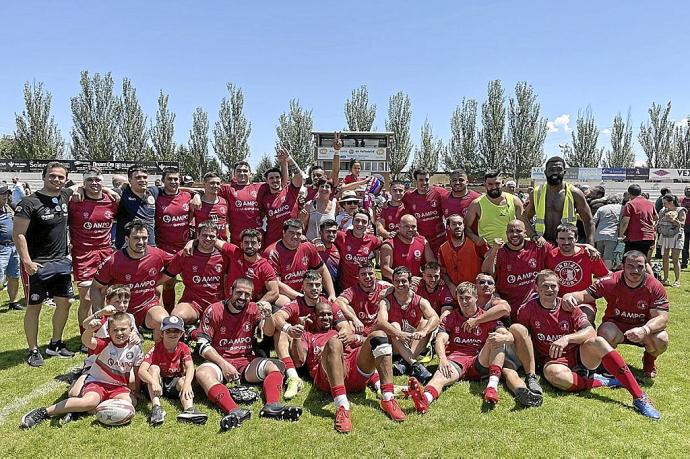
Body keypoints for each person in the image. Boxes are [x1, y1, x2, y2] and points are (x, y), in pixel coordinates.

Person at [516, 270, 660, 420]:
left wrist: (567, 339)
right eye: (545, 286)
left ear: (559, 287)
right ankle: (602, 381)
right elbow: (522, 337)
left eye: (553, 286)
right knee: (555, 376)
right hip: (553, 360)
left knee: (598, 342)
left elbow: (590, 331)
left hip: (579, 356)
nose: (549, 290)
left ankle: (639, 397)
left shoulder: (567, 306)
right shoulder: (527, 309)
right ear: (536, 288)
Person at [195, 278, 301, 430]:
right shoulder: (214, 310)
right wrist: (224, 364)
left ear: (252, 296)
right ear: (230, 291)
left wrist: (268, 315)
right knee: (202, 373)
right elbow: (201, 345)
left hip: (246, 361)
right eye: (239, 292)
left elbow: (269, 332)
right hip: (219, 361)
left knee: (275, 366)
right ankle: (235, 411)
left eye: (247, 294)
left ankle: (272, 406)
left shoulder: (253, 309)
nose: (242, 297)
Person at [290, 301, 405, 431]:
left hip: (353, 371)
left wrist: (354, 338)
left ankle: (388, 398)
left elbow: (365, 342)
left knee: (379, 335)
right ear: (314, 317)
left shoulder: (341, 332)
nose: (326, 317)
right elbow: (299, 361)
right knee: (334, 343)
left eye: (329, 314)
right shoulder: (308, 336)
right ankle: (342, 406)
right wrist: (296, 337)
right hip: (328, 376)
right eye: (322, 315)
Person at [20, 311, 144, 429]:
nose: (119, 333)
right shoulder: (105, 344)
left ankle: (79, 410)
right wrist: (90, 330)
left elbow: (137, 370)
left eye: (123, 329)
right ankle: (45, 412)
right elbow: (87, 341)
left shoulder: (135, 348)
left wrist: (136, 391)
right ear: (109, 332)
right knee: (89, 402)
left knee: (130, 402)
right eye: (115, 330)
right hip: (98, 382)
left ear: (131, 330)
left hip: (119, 387)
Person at [563, 251, 669, 379]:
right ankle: (607, 364)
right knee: (605, 332)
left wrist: (644, 330)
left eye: (640, 266)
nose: (635, 270)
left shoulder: (655, 286)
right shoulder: (611, 281)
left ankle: (649, 361)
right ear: (622, 266)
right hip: (616, 327)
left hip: (643, 329)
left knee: (661, 339)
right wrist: (569, 296)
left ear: (646, 266)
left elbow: (662, 317)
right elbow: (584, 295)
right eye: (630, 266)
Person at [406, 282, 506, 412]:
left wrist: (505, 338)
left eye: (468, 298)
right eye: (460, 298)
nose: (464, 301)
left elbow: (507, 334)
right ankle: (424, 399)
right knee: (439, 376)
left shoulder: (486, 316)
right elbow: (441, 339)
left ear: (476, 297)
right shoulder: (450, 318)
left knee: (496, 338)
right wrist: (442, 359)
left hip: (480, 360)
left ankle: (492, 387)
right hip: (457, 360)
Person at [13, 162, 75, 366]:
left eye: (60, 177)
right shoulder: (29, 202)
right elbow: (19, 234)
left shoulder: (65, 195)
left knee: (65, 303)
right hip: (37, 264)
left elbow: (82, 187)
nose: (56, 179)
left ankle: (55, 343)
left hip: (61, 263)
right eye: (52, 176)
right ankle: (33, 350)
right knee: (34, 307)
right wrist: (27, 261)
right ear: (44, 176)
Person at [272, 270, 350, 399]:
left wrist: (333, 343)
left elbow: (345, 326)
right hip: (300, 352)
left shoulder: (328, 305)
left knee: (350, 327)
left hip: (322, 354)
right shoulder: (297, 303)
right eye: (310, 285)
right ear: (302, 287)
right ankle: (293, 377)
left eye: (317, 285)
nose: (314, 288)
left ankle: (373, 379)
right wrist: (289, 328)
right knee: (280, 332)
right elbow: (277, 317)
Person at [91, 219, 172, 340]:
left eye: (144, 238)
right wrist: (100, 316)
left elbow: (178, 262)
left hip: (148, 306)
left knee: (163, 322)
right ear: (127, 239)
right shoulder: (113, 261)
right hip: (121, 310)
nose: (141, 242)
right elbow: (95, 288)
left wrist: (160, 279)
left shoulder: (156, 254)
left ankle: (158, 356)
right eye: (136, 238)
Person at [68, 167, 119, 332]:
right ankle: (85, 334)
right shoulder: (75, 201)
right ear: (84, 183)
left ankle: (103, 330)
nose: (94, 183)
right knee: (87, 298)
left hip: (105, 252)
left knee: (104, 295)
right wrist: (78, 188)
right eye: (89, 180)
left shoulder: (111, 201)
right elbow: (62, 190)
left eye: (97, 180)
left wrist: (107, 189)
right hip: (83, 254)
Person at [139, 315, 207, 425]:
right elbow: (142, 371)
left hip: (174, 382)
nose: (172, 334)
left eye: (176, 331)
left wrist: (187, 384)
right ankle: (156, 408)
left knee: (183, 380)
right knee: (153, 368)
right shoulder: (156, 348)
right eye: (168, 331)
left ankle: (189, 409)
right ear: (162, 333)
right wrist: (153, 382)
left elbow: (190, 366)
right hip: (157, 384)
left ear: (181, 334)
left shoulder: (183, 347)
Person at [159, 221, 231, 325]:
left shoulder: (224, 257)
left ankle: (194, 330)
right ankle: (190, 327)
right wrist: (151, 284)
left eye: (212, 236)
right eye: (204, 235)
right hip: (192, 304)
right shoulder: (186, 254)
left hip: (217, 304)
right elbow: (167, 275)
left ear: (217, 237)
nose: (208, 239)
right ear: (198, 235)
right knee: (177, 316)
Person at [376, 266, 439, 382]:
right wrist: (399, 333)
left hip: (412, 342)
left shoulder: (420, 300)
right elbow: (381, 321)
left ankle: (404, 363)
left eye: (404, 281)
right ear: (393, 282)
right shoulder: (386, 300)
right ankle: (414, 364)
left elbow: (435, 318)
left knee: (426, 323)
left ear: (410, 282)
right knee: (394, 325)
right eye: (397, 281)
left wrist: (424, 331)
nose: (400, 284)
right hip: (395, 343)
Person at [481, 220, 550, 319]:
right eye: (511, 231)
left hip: (533, 309)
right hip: (508, 310)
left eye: (518, 231)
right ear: (506, 233)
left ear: (525, 232)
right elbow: (486, 273)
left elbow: (558, 255)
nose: (514, 234)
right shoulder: (499, 251)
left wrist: (543, 240)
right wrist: (494, 250)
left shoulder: (536, 247)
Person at [545, 224, 609, 324]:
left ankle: (589, 336)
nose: (566, 242)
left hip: (584, 303)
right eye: (562, 239)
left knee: (584, 319)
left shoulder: (589, 255)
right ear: (556, 239)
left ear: (576, 239)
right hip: (557, 302)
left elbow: (605, 278)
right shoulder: (550, 255)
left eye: (570, 238)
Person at [522, 156, 594, 245]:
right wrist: (533, 235)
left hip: (566, 246)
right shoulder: (536, 193)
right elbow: (524, 217)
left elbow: (588, 220)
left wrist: (590, 245)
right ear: (545, 172)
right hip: (542, 245)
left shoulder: (575, 193)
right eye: (551, 170)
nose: (555, 172)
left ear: (564, 172)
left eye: (559, 169)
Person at [264, 219, 336, 305]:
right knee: (286, 303)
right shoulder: (272, 253)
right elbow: (277, 285)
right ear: (283, 232)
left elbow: (322, 269)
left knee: (328, 305)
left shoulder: (307, 247)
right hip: (282, 294)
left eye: (298, 234)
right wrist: (301, 298)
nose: (295, 237)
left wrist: (332, 294)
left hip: (305, 292)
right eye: (291, 233)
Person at [154, 166, 194, 310]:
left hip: (186, 248)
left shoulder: (187, 196)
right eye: (169, 179)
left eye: (176, 179)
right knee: (169, 283)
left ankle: (190, 309)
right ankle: (169, 313)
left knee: (191, 281)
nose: (173, 182)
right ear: (163, 181)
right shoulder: (157, 197)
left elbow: (199, 192)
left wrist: (196, 195)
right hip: (165, 249)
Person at [465, 170, 525, 250]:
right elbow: (466, 227)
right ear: (485, 184)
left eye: (497, 184)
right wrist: (476, 239)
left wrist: (534, 237)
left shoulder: (515, 200)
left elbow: (524, 224)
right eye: (490, 184)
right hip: (488, 250)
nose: (494, 187)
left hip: (512, 250)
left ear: (502, 183)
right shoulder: (476, 204)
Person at [218, 161, 269, 245]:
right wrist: (197, 195)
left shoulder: (260, 187)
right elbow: (207, 189)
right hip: (237, 240)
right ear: (234, 174)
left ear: (250, 174)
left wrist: (284, 162)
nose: (242, 173)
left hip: (257, 239)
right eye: (238, 171)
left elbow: (282, 184)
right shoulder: (227, 189)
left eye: (245, 171)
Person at [261, 150, 303, 247]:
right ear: (266, 181)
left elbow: (299, 175)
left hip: (292, 239)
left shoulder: (290, 191)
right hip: (272, 242)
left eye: (277, 177)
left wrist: (288, 159)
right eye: (271, 178)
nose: (275, 180)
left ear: (281, 179)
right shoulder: (264, 199)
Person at [337, 260, 391, 336]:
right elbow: (338, 302)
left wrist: (390, 290)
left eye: (370, 273)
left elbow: (400, 288)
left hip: (378, 328)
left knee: (385, 302)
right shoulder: (353, 290)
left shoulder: (384, 287)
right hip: (359, 329)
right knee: (347, 307)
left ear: (375, 275)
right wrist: (354, 319)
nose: (367, 277)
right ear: (358, 277)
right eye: (363, 274)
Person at [225, 229, 279, 304]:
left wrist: (256, 306)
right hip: (229, 303)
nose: (249, 246)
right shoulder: (235, 252)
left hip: (250, 304)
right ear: (241, 244)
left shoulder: (264, 266)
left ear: (259, 245)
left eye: (253, 243)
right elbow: (215, 240)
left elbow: (274, 292)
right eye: (246, 243)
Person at [334, 209, 382, 291]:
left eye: (364, 222)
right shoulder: (341, 236)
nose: (360, 224)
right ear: (352, 222)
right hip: (344, 287)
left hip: (364, 286)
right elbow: (323, 238)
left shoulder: (373, 240)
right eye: (357, 220)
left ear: (368, 224)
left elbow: (385, 245)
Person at [114, 165, 159, 249]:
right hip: (127, 248)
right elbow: (96, 189)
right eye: (138, 177)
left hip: (150, 246)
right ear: (130, 180)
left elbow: (173, 189)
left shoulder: (153, 192)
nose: (142, 180)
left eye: (144, 177)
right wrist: (80, 188)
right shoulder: (121, 193)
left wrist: (191, 192)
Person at [402, 169, 447, 253]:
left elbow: (454, 198)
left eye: (426, 179)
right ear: (415, 181)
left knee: (441, 265)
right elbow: (397, 204)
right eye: (421, 180)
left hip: (439, 239)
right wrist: (385, 204)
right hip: (421, 240)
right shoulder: (408, 197)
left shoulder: (439, 192)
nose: (425, 183)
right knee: (423, 265)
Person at [379, 215, 435, 281]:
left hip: (416, 282)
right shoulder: (389, 245)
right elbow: (385, 269)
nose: (410, 229)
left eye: (413, 226)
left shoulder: (422, 241)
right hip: (396, 285)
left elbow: (432, 263)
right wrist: (406, 279)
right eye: (406, 226)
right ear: (399, 227)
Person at [438, 214, 482, 292]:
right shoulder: (442, 249)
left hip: (475, 291)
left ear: (464, 226)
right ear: (448, 227)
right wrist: (451, 286)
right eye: (454, 224)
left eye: (460, 223)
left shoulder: (476, 244)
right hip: (455, 293)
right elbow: (443, 272)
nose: (457, 226)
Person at [619, 184, 658, 256]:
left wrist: (620, 235)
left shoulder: (630, 204)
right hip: (648, 236)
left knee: (630, 259)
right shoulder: (650, 203)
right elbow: (656, 217)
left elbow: (625, 221)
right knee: (643, 260)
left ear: (629, 194)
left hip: (635, 236)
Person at [657, 194, 686, 287]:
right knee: (664, 257)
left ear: (671, 202)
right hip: (665, 235)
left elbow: (682, 224)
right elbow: (659, 221)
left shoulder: (680, 210)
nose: (664, 205)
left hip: (676, 236)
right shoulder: (662, 211)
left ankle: (677, 280)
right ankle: (665, 279)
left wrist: (673, 220)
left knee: (675, 258)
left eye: (665, 203)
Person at [0, 185, 21, 310]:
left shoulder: (8, 208)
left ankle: (13, 302)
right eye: (3, 194)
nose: (6, 197)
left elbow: (20, 211)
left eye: (7, 194)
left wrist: (11, 202)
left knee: (14, 276)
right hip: (2, 248)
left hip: (13, 248)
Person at [193, 172, 230, 240]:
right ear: (204, 184)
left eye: (218, 183)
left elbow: (227, 223)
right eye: (212, 183)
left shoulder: (225, 202)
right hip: (203, 245)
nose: (215, 186)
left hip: (221, 245)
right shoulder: (196, 203)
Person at [593, 194, 623, 269]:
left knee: (599, 255)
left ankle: (598, 271)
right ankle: (607, 273)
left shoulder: (602, 208)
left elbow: (594, 221)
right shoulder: (622, 208)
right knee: (608, 257)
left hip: (599, 234)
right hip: (612, 235)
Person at [312, 219, 341, 287]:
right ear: (320, 232)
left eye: (334, 232)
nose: (331, 234)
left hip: (337, 286)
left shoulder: (339, 246)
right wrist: (314, 247)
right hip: (318, 287)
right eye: (328, 231)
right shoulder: (313, 248)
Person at [680, 185, 690, 268]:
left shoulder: (681, 200)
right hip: (684, 225)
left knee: (685, 246)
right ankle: (684, 262)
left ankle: (684, 262)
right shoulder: (681, 200)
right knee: (684, 246)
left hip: (686, 225)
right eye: (687, 189)